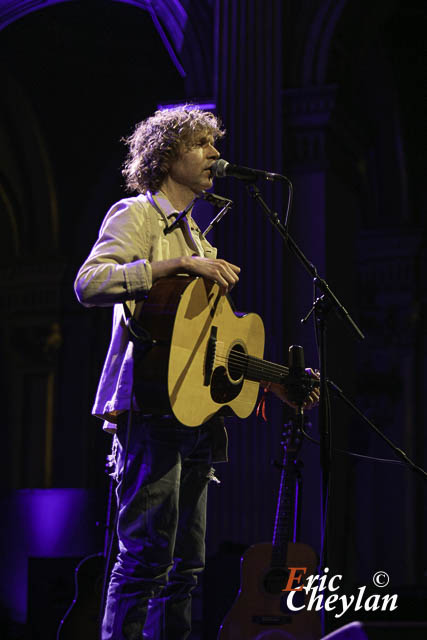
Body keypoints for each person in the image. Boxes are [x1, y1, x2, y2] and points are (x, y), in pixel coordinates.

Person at [74, 105, 318, 640]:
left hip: (194, 413)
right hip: (150, 407)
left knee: (186, 569)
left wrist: (272, 380)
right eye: (202, 144)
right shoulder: (135, 214)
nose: (215, 155)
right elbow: (89, 284)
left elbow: (208, 343)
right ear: (165, 155)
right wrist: (176, 265)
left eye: (215, 144)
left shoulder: (198, 238)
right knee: (144, 563)